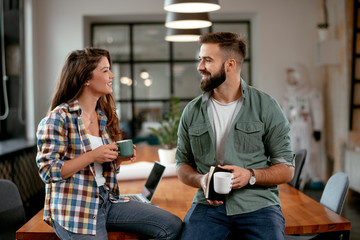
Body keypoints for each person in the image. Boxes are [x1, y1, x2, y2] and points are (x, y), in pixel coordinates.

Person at [36, 48, 182, 240]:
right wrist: (93, 155)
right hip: (75, 209)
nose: (112, 75)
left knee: (172, 226)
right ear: (86, 78)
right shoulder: (58, 118)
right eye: (105, 70)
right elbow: (48, 171)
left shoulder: (102, 117)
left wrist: (117, 160)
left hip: (106, 200)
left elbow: (98, 171)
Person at [175, 32, 295, 240]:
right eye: (200, 59)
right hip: (207, 206)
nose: (200, 66)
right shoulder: (192, 111)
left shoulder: (266, 106)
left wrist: (250, 176)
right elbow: (182, 165)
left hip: (258, 205)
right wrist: (200, 180)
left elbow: (286, 170)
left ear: (230, 64)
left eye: (207, 60)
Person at [282, 63, 325, 190]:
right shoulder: (288, 94)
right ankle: (297, 177)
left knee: (309, 151)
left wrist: (318, 128)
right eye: (290, 76)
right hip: (293, 125)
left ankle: (314, 177)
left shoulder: (311, 92)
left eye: (294, 76)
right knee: (293, 150)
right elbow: (285, 110)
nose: (292, 79)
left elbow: (317, 110)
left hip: (307, 125)